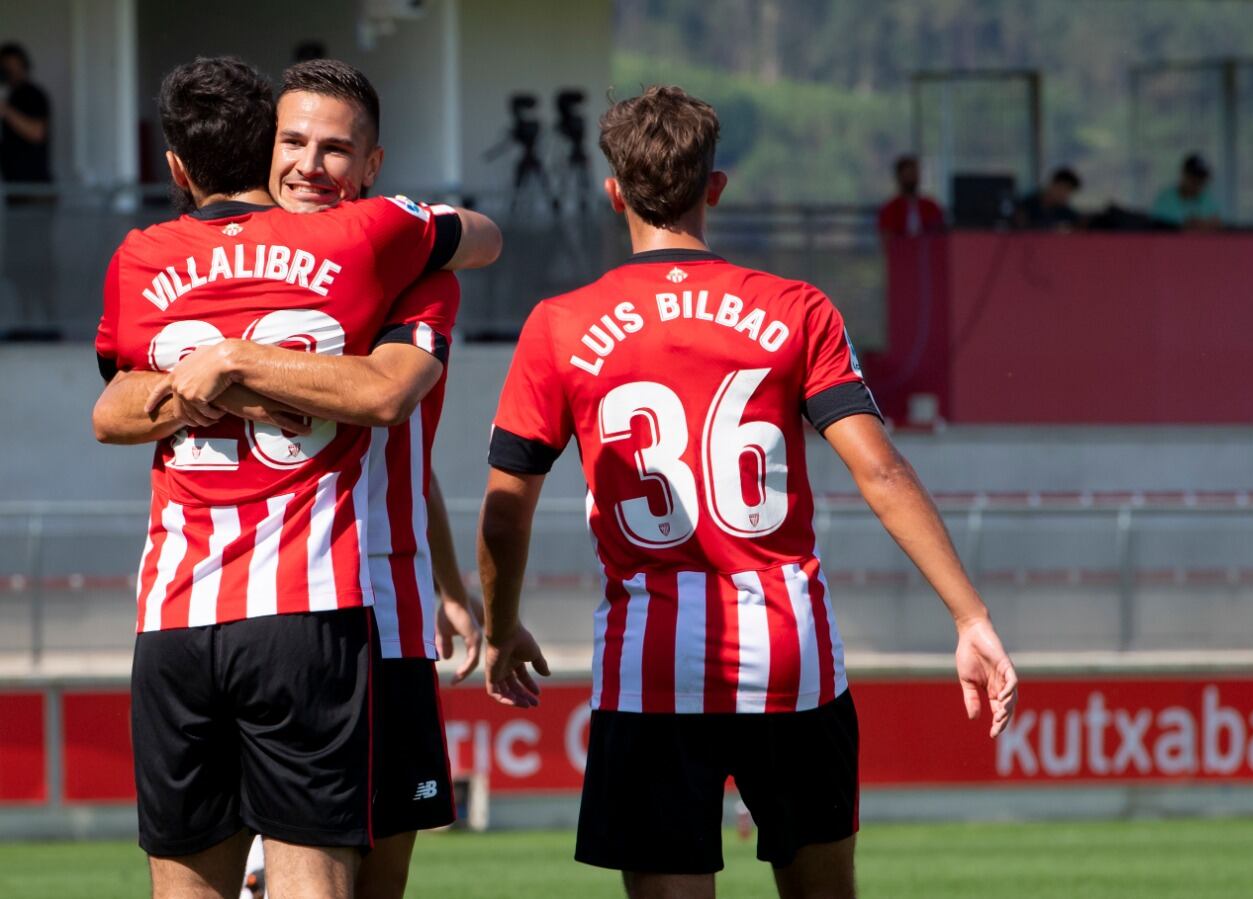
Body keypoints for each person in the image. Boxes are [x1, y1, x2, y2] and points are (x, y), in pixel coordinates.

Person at [477, 84, 1018, 899]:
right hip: (792, 655)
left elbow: (506, 505)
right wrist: (970, 615)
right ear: (715, 186)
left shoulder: (560, 324)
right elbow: (880, 470)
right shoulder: (797, 308)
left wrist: (500, 623)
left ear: (613, 191)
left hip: (650, 661)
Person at [90, 56, 500, 898]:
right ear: (258, 150)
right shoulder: (371, 244)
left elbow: (403, 444)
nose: (310, 165)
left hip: (383, 602)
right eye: (292, 141)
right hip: (313, 609)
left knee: (373, 875)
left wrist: (450, 580)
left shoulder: (395, 257)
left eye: (336, 149)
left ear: (373, 165)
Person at [0, 42, 50, 195]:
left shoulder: (33, 94)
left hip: (34, 188)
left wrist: (6, 111)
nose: (10, 72)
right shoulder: (10, 96)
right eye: (6, 68)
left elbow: (37, 133)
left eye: (13, 67)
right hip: (14, 185)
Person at [876, 154, 944, 237]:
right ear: (899, 177)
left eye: (914, 174)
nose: (911, 178)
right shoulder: (890, 210)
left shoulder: (931, 207)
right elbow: (887, 239)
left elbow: (940, 235)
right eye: (908, 174)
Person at [1150, 153, 1219, 229]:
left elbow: (1216, 224)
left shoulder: (1207, 198)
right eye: (1194, 178)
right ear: (1184, 175)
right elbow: (1157, 226)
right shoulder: (1166, 198)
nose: (1197, 183)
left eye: (1201, 179)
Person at [1016, 166, 1082, 229]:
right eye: (1064, 189)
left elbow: (1077, 226)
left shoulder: (1066, 212)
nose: (1065, 195)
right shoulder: (1026, 205)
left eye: (1069, 192)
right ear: (1053, 184)